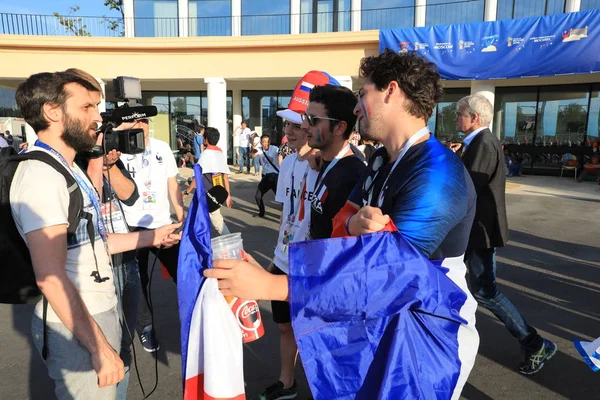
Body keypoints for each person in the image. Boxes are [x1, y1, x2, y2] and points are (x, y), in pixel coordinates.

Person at [205, 50, 479, 398]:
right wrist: (352, 226)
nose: (355, 107)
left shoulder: (437, 172)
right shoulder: (382, 159)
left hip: (427, 332)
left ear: (390, 91)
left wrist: (273, 287)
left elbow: (390, 274)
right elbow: (339, 224)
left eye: (363, 94)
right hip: (381, 320)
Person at [11, 70, 180, 400]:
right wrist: (99, 346)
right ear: (52, 112)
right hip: (78, 322)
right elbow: (50, 277)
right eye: (87, 107)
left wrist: (153, 236)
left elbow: (94, 244)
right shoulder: (41, 176)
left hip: (98, 310)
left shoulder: (68, 166)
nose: (98, 116)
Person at [455, 94, 556, 375]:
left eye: (459, 113)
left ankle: (535, 343)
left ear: (474, 117)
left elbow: (467, 189)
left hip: (480, 233)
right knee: (469, 287)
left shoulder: (483, 144)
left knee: (487, 293)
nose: (456, 118)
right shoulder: (478, 142)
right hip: (475, 232)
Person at [67, 67, 142, 400]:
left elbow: (130, 195)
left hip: (125, 258)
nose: (96, 117)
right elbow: (89, 219)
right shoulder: (67, 161)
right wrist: (96, 163)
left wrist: (109, 166)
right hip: (95, 266)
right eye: (89, 107)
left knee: (124, 343)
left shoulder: (103, 154)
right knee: (101, 347)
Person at [119, 111, 185, 353]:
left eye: (143, 121)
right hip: (130, 227)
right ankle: (146, 326)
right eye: (134, 121)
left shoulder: (162, 148)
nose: (140, 126)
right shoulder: (117, 149)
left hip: (161, 224)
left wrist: (181, 212)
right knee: (138, 279)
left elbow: (172, 182)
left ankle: (193, 319)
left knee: (184, 270)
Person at [300, 84, 366, 240]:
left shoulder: (354, 175)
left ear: (339, 128)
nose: (304, 126)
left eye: (312, 120)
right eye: (305, 118)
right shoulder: (324, 161)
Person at [184, 127, 233, 235]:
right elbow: (225, 177)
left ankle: (231, 245)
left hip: (207, 195)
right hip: (216, 193)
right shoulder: (220, 154)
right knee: (209, 220)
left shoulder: (204, 155)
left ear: (206, 139)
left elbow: (197, 177)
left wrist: (187, 192)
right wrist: (228, 196)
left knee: (214, 221)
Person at [250, 134, 279, 218]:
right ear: (261, 142)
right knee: (257, 196)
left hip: (274, 176)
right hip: (265, 176)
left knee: (281, 198)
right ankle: (261, 212)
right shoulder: (259, 150)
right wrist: (253, 151)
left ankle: (288, 215)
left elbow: (281, 155)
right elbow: (251, 156)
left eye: (267, 142)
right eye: (263, 142)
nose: (266, 144)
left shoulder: (275, 149)